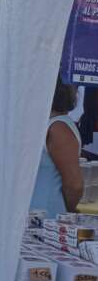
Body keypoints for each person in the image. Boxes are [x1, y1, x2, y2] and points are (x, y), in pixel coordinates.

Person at [31, 78, 83, 216]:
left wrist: (67, 209)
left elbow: (74, 185)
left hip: (48, 216)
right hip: (34, 215)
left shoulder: (58, 128)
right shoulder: (46, 124)